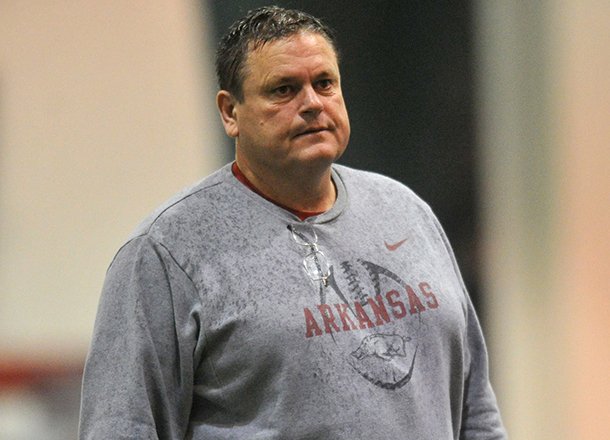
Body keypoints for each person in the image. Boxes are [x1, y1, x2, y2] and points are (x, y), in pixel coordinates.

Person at [79, 6, 506, 439]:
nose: (312, 104)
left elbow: (477, 410)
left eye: (325, 84)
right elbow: (120, 428)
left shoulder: (407, 212)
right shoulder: (166, 252)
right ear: (230, 112)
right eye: (284, 90)